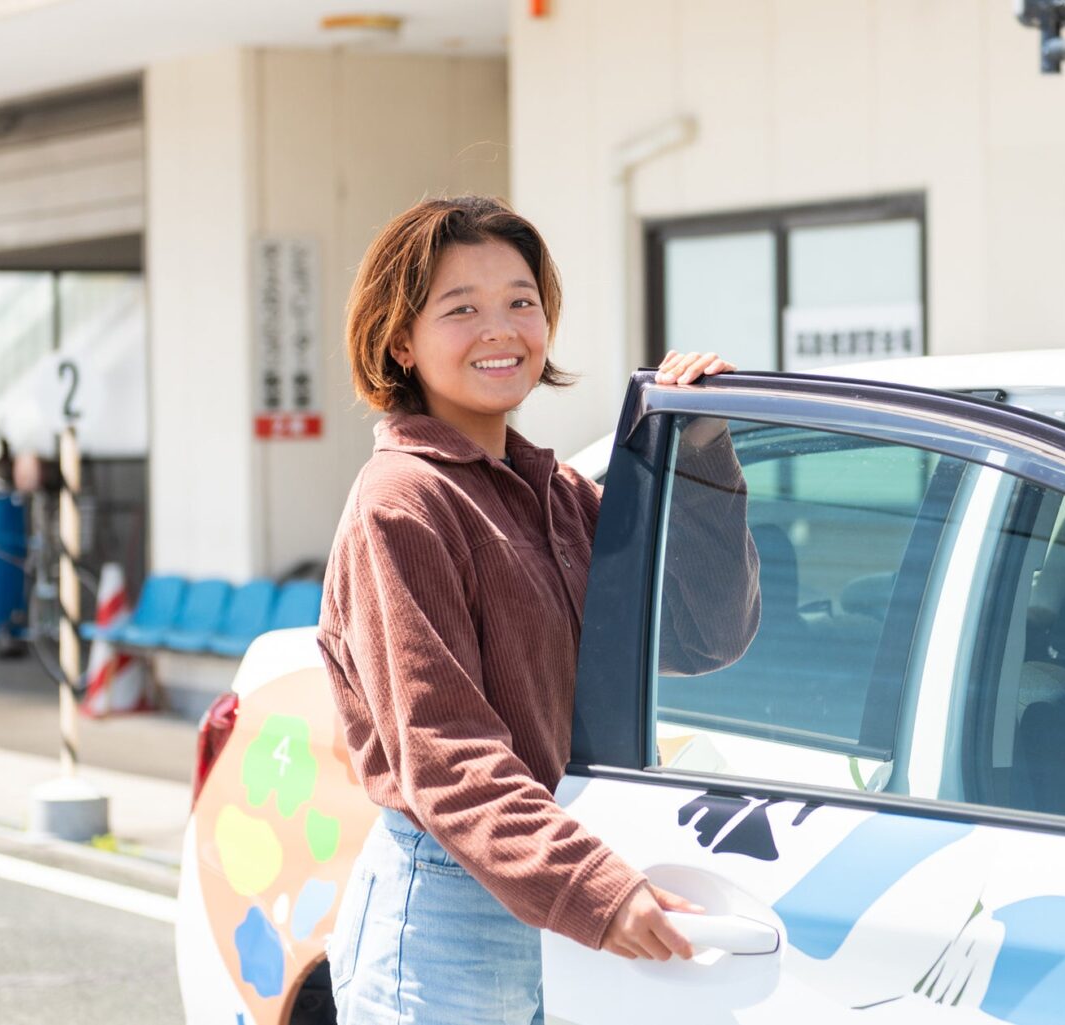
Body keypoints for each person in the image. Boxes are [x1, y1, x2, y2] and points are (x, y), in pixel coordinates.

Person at [317, 195, 761, 1024]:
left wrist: (698, 453)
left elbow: (704, 635)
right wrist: (599, 891)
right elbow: (446, 754)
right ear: (399, 340)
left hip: (549, 880)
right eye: (462, 309)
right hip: (452, 911)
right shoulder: (401, 502)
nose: (501, 328)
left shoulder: (557, 495)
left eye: (521, 301)